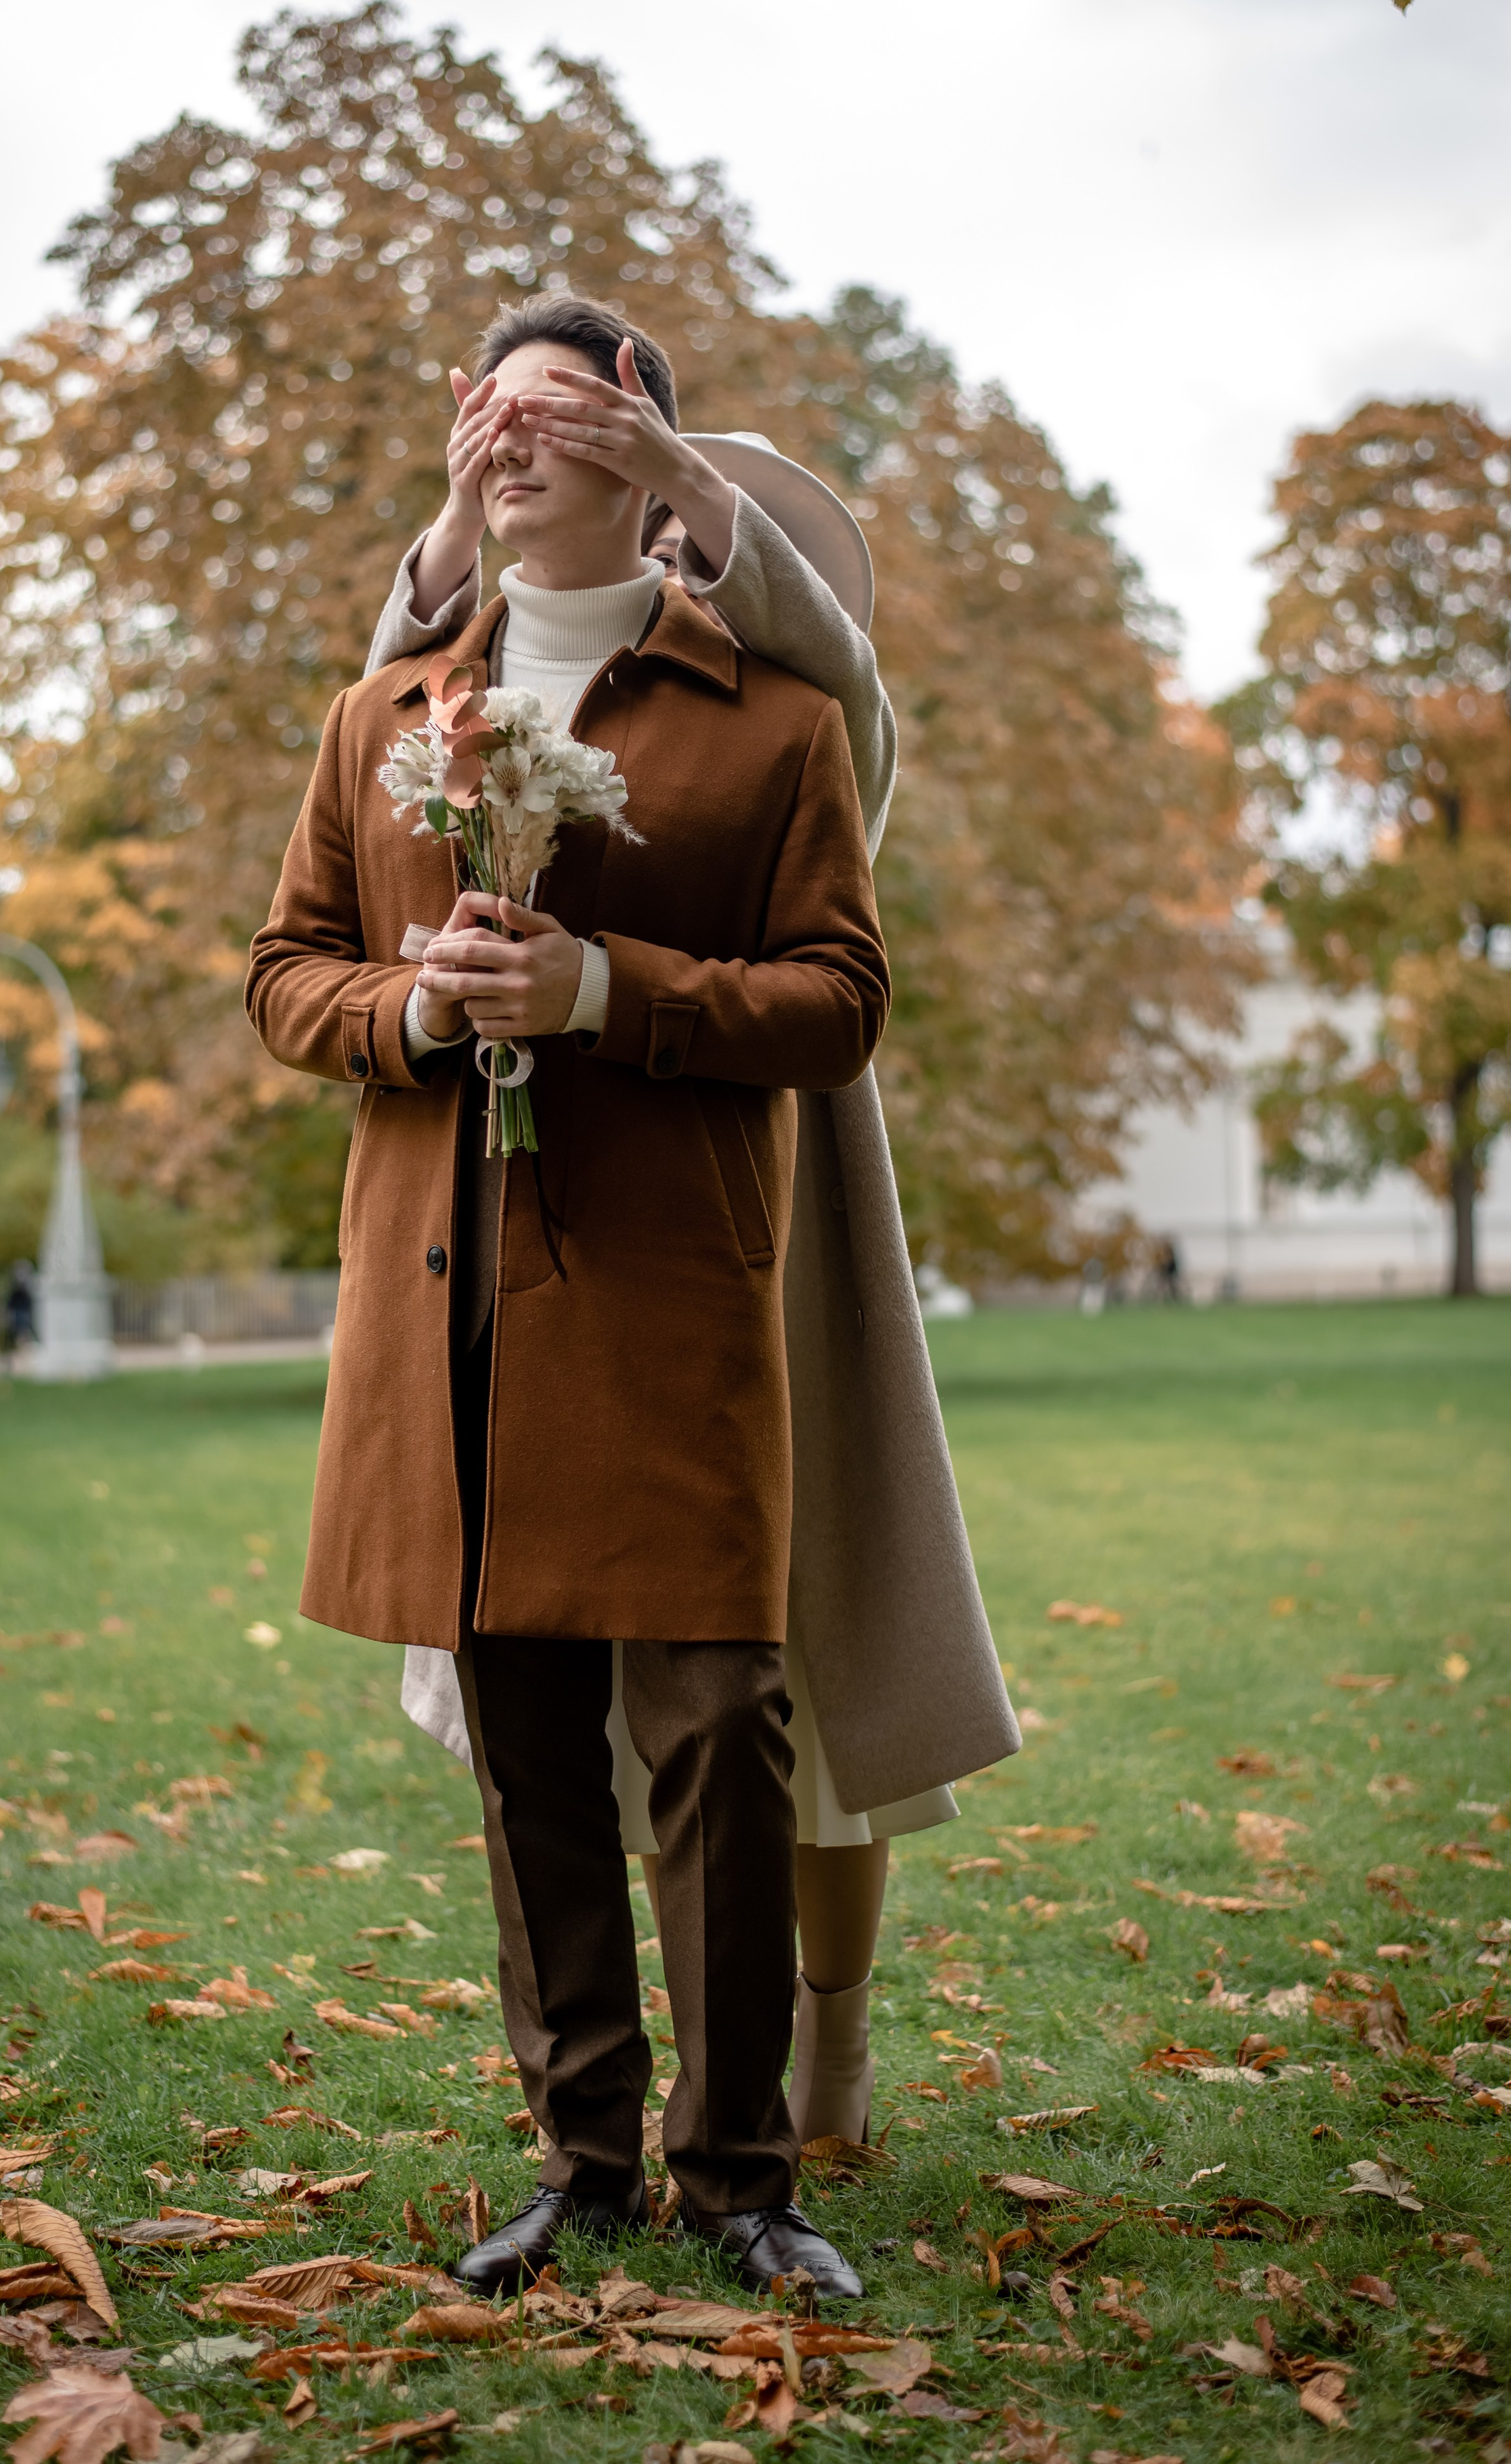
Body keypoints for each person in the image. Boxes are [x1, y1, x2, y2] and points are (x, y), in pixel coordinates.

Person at [247, 290, 893, 2302]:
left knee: (717, 1731)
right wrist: (413, 1011)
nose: (507, 442)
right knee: (528, 1747)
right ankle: (582, 2156)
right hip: (454, 1303)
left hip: (678, 1296)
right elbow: (284, 973)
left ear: (640, 445)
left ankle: (745, 2178)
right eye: (482, 418)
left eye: (552, 414)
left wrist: (610, 991)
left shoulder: (776, 720)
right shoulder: (380, 717)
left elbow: (841, 1000)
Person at [366, 324, 1020, 2151]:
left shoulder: (788, 706)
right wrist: (459, 490)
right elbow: (391, 738)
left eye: (684, 531)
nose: (659, 565)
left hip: (767, 1215)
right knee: (568, 1702)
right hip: (546, 1213)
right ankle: (601, 2110)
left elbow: (843, 712)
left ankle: (823, 2048)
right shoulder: (483, 670)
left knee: (790, 1671)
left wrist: (681, 482)